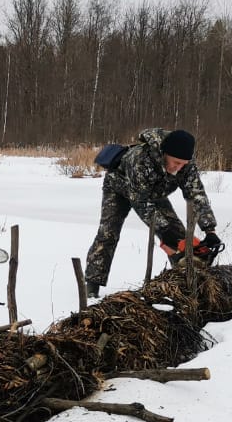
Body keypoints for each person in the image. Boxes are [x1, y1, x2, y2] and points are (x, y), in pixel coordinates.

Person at [84, 127, 222, 296]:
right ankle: (92, 284)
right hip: (119, 187)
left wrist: (210, 230)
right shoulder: (140, 160)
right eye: (176, 163)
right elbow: (141, 203)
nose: (178, 168)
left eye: (183, 164)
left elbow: (196, 194)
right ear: (165, 153)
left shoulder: (186, 166)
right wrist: (163, 230)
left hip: (154, 193)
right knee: (108, 233)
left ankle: (183, 279)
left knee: (179, 236)